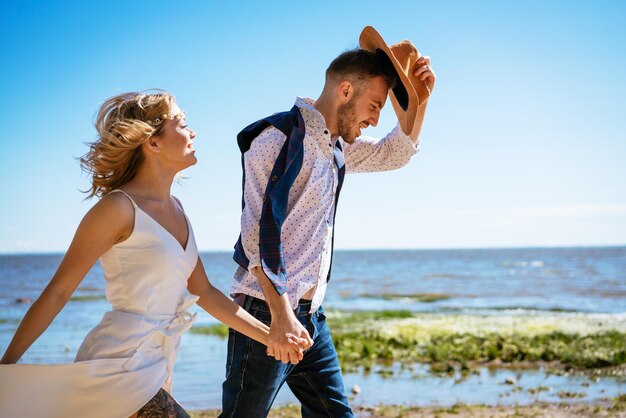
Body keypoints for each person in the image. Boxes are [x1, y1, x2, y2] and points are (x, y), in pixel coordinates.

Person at [0, 91, 306, 418]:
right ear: (153, 143)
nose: (193, 132)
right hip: (119, 365)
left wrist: (272, 335)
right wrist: (6, 368)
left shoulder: (178, 210)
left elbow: (203, 292)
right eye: (183, 123)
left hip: (157, 366)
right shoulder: (117, 208)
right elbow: (59, 291)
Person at [221, 27, 436, 417]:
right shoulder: (275, 139)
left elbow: (395, 153)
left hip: (312, 318)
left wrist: (420, 101)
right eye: (375, 105)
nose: (375, 119)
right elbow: (254, 237)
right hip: (266, 312)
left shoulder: (338, 150)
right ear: (345, 91)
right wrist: (282, 315)